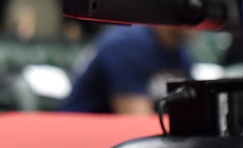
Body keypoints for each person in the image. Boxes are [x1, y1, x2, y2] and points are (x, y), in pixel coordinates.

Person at [58, 24, 193, 115]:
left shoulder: (180, 51)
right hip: (79, 133)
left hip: (117, 138)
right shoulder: (128, 44)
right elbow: (136, 120)